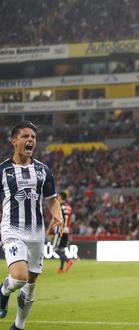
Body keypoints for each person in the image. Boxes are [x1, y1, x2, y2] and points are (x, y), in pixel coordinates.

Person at [0, 121, 64, 330]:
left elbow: (52, 199)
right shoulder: (3, 170)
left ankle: (18, 326)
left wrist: (58, 216)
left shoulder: (42, 170)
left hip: (36, 233)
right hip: (12, 229)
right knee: (19, 277)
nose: (30, 140)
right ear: (14, 141)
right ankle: (3, 292)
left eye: (33, 138)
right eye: (25, 136)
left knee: (31, 282)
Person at [54, 192, 74, 273]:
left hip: (61, 229)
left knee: (55, 248)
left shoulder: (59, 206)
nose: (57, 198)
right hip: (67, 230)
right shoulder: (69, 207)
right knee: (62, 249)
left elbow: (57, 218)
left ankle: (68, 260)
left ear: (61, 197)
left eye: (58, 196)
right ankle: (61, 268)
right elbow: (71, 220)